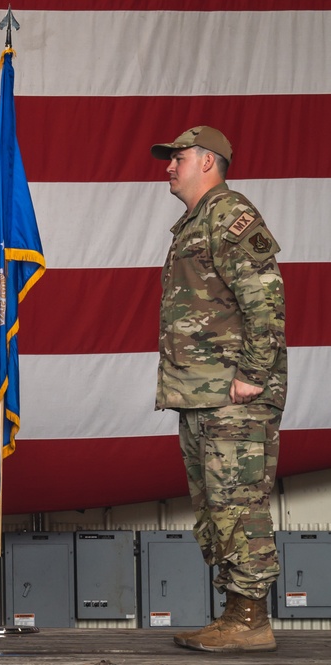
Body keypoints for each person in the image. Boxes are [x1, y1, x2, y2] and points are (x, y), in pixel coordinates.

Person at [151, 126, 287, 653]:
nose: (168, 166)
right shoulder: (195, 221)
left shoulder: (231, 215)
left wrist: (253, 373)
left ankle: (251, 618)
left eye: (177, 158)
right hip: (202, 393)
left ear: (207, 161)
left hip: (235, 395)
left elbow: (264, 300)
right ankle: (236, 612)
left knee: (239, 505)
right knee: (216, 508)